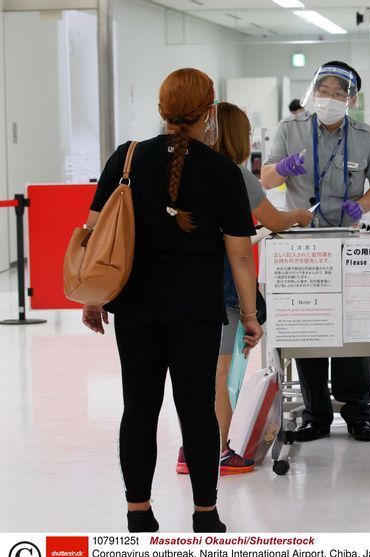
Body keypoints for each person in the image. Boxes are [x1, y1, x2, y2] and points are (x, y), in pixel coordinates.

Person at [82, 69, 262, 533]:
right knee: (197, 408)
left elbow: (95, 233)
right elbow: (240, 253)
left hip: (135, 306)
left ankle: (138, 512)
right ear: (209, 112)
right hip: (197, 310)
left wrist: (92, 296)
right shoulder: (223, 171)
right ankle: (206, 514)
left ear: (162, 109)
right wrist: (249, 315)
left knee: (138, 407)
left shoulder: (128, 157)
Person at [174, 102, 313, 476]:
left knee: (194, 370)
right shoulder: (233, 174)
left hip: (181, 285)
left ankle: (191, 448)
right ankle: (218, 450)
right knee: (218, 373)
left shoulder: (182, 169)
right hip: (221, 289)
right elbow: (272, 218)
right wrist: (299, 216)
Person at [261, 61, 370, 443]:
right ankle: (315, 415)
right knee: (309, 330)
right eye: (324, 91)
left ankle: (358, 413)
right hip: (302, 247)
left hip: (348, 245)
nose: (330, 99)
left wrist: (362, 207)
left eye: (338, 93)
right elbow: (265, 180)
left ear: (351, 98)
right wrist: (284, 167)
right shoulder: (290, 130)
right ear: (313, 92)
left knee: (351, 332)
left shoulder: (368, 137)